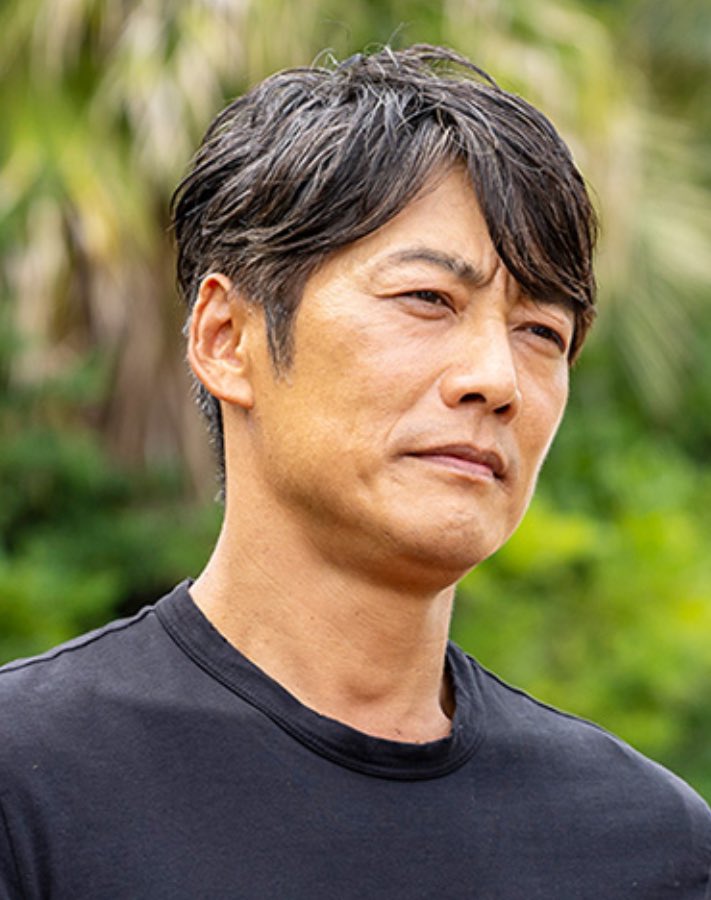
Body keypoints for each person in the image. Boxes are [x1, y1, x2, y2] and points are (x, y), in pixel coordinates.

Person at [0, 44, 709, 900]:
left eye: (540, 333)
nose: (495, 379)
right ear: (226, 339)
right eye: (427, 300)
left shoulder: (647, 843)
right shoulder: (31, 781)